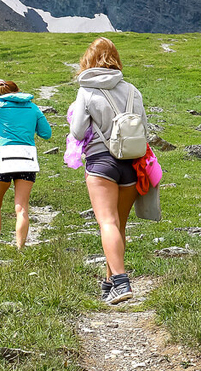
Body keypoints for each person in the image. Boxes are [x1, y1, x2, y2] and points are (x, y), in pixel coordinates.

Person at [69, 37, 148, 305]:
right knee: (118, 226)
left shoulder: (86, 91)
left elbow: (78, 131)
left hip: (101, 162)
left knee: (106, 223)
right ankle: (108, 283)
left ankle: (122, 281)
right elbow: (144, 131)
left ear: (88, 60)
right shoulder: (132, 90)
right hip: (130, 164)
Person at [0, 79, 51, 251]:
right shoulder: (33, 108)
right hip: (26, 160)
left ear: (1, 94)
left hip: (3, 160)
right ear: (19, 91)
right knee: (22, 207)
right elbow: (46, 133)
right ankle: (20, 248)